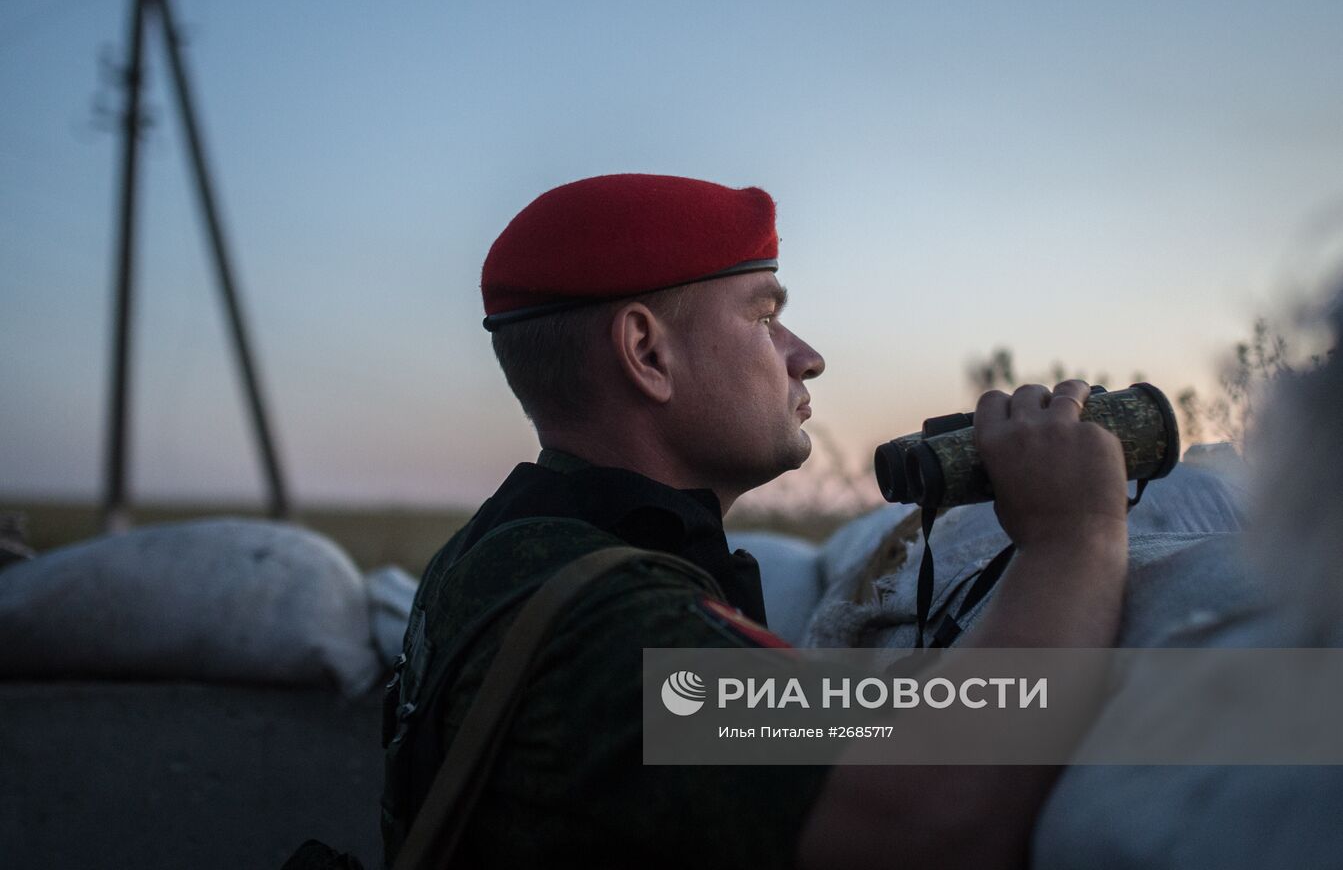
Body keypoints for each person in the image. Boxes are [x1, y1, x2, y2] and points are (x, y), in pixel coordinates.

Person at [380, 173, 1131, 869]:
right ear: (646, 352)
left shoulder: (507, 549)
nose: (806, 357)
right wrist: (1074, 536)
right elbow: (928, 817)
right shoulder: (606, 618)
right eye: (765, 315)